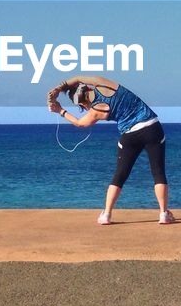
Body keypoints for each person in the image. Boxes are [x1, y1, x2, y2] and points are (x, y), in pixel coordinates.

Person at [47, 75, 174, 225]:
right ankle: (163, 214)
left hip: (129, 135)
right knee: (158, 172)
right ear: (87, 87)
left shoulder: (95, 111)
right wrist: (59, 88)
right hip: (151, 128)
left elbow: (80, 123)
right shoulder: (107, 86)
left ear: (80, 102)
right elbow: (81, 77)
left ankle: (106, 214)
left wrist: (60, 110)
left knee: (120, 175)